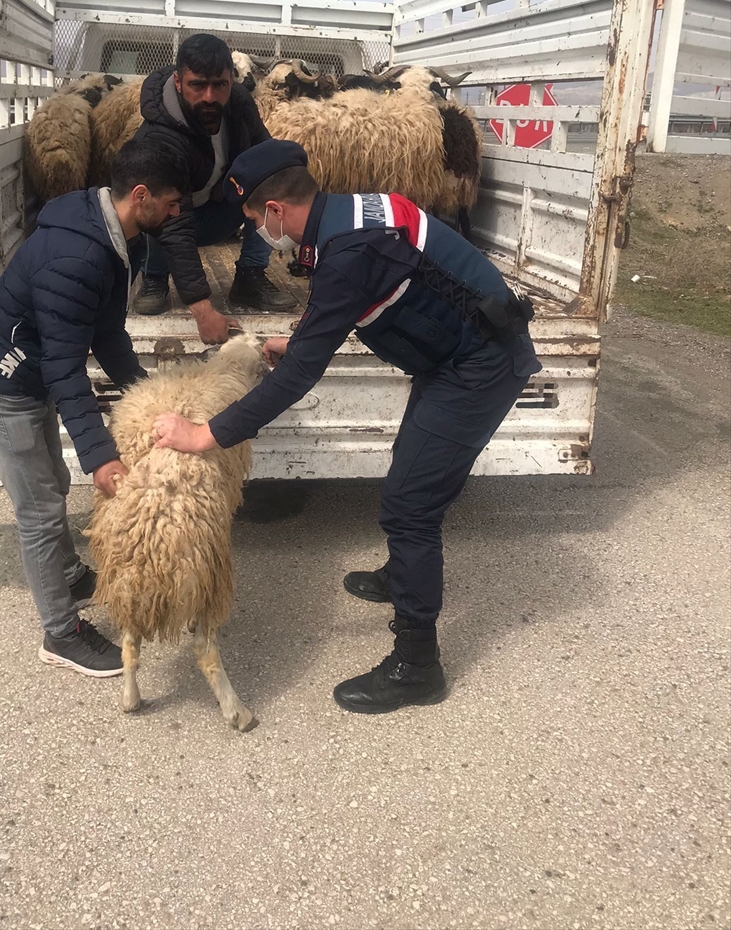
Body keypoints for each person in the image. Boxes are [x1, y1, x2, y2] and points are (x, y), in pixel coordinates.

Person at [152, 139, 541, 715]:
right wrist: (303, 336)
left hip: (479, 367)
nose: (256, 229)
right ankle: (401, 574)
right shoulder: (348, 217)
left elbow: (299, 376)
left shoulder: (349, 247)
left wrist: (205, 434)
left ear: (278, 211)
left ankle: (417, 666)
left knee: (409, 505)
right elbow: (355, 294)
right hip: (455, 356)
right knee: (409, 472)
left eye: (255, 218)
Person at [0, 139, 187, 677]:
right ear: (141, 195)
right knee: (38, 511)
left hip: (25, 382)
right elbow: (65, 366)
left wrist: (143, 392)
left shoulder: (106, 234)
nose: (177, 214)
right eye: (172, 203)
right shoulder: (77, 255)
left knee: (53, 484)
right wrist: (101, 455)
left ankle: (69, 573)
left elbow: (105, 331)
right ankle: (60, 634)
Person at [133, 33, 296, 343]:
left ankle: (250, 275)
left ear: (231, 82)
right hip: (174, 219)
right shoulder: (159, 137)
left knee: (271, 177)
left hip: (219, 210)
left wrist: (292, 175)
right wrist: (202, 309)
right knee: (153, 204)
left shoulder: (239, 105)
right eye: (198, 85)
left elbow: (264, 153)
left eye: (219, 85)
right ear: (178, 82)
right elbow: (175, 225)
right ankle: (155, 277)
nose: (209, 96)